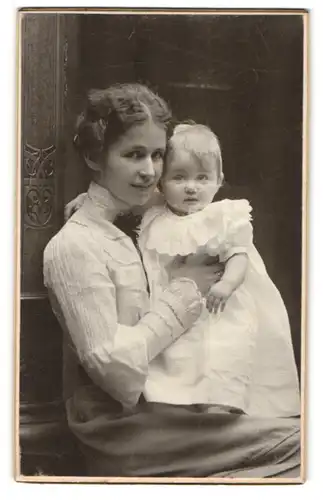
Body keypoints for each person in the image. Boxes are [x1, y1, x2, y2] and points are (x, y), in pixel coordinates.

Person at [44, 83, 301, 478]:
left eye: (158, 155)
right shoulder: (74, 247)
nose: (149, 171)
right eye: (133, 155)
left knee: (297, 433)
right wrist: (185, 290)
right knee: (300, 444)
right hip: (123, 422)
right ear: (95, 156)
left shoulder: (145, 212)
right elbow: (114, 369)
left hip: (175, 402)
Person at [138, 123, 300, 417]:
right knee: (180, 360)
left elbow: (239, 255)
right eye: (179, 177)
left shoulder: (223, 216)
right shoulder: (156, 216)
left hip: (220, 307)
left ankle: (221, 407)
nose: (191, 187)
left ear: (218, 180)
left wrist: (227, 283)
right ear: (161, 184)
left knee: (222, 354)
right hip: (176, 307)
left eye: (202, 178)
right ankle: (179, 405)